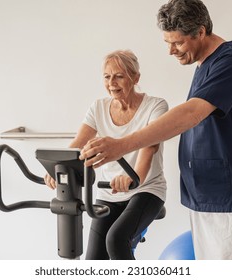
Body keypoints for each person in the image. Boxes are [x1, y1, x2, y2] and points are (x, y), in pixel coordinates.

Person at [80, 0, 232, 260]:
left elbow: (191, 113)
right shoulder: (205, 64)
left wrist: (122, 145)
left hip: (231, 193)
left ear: (200, 32)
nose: (171, 51)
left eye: (177, 43)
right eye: (168, 43)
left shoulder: (231, 62)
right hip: (206, 192)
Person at [44, 49, 168, 260]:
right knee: (94, 260)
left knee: (117, 240)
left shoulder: (156, 106)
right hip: (108, 192)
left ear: (136, 78)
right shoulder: (98, 107)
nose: (112, 82)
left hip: (146, 189)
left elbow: (149, 147)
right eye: (107, 76)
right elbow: (78, 143)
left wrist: (132, 178)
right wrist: (57, 168)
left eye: (119, 76)